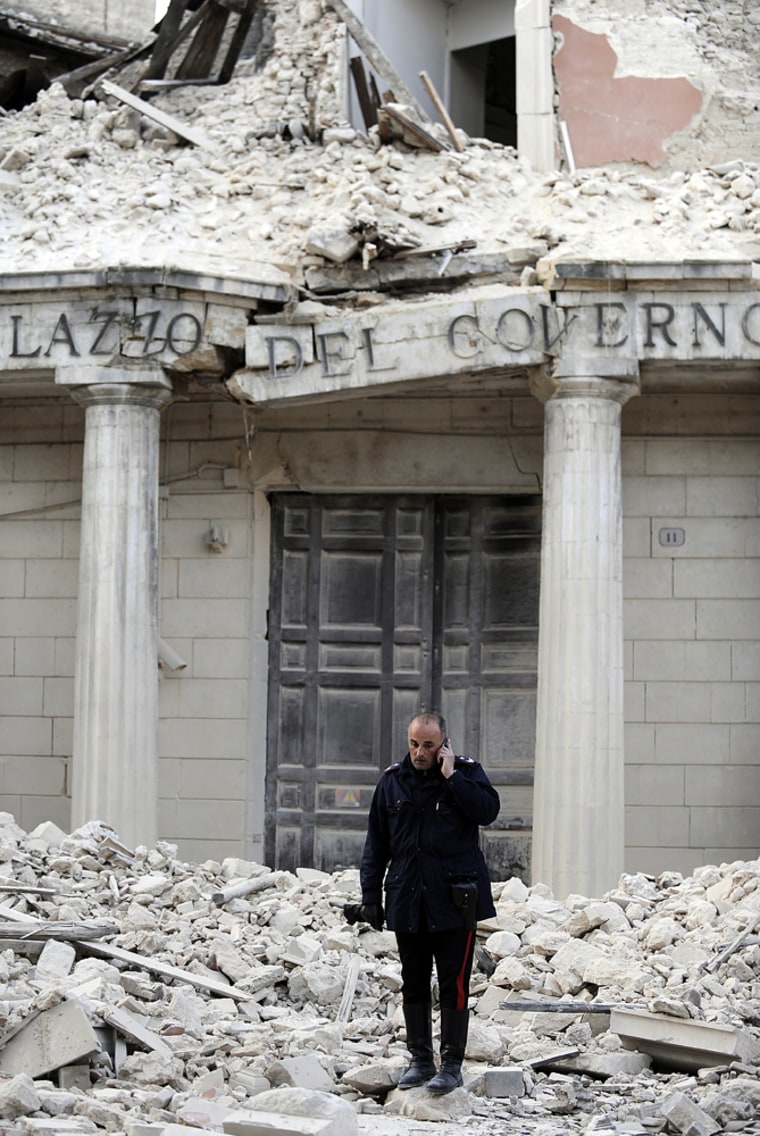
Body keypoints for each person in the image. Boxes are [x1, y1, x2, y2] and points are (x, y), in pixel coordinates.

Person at [347, 710, 500, 1096]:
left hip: (453, 901)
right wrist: (370, 898)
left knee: (455, 985)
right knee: (413, 982)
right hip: (407, 897)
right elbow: (376, 845)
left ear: (443, 744)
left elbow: (487, 812)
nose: (419, 752)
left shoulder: (465, 774)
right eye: (414, 744)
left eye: (428, 745)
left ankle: (451, 1065)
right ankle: (419, 1060)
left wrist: (453, 777)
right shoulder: (392, 782)